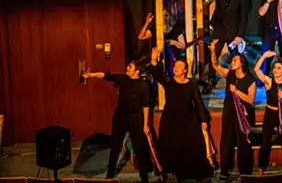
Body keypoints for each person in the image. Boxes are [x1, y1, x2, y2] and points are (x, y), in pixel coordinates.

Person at [147, 48, 214, 181]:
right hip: (170, 119)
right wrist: (154, 60)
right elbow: (157, 75)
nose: (176, 68)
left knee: (190, 146)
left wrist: (203, 120)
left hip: (188, 119)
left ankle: (191, 173)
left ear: (185, 70)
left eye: (179, 66)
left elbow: (198, 102)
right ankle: (168, 171)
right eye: (175, 66)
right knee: (170, 145)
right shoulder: (169, 81)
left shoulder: (191, 84)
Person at [82, 63, 152, 183]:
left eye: (130, 67)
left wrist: (145, 124)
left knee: (139, 148)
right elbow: (106, 76)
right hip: (120, 116)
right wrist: (91, 75)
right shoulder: (123, 79)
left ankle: (144, 177)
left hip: (135, 117)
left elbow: (146, 106)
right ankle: (110, 175)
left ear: (137, 71)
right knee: (115, 145)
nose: (127, 68)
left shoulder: (143, 86)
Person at [195, 0, 252, 89]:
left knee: (237, 56)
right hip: (219, 27)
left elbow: (244, 16)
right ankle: (211, 79)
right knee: (213, 52)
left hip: (233, 30)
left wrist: (239, 35)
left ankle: (243, 79)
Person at [209, 40, 256, 179]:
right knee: (227, 140)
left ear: (241, 63)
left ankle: (245, 171)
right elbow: (215, 65)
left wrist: (237, 92)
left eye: (235, 60)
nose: (232, 62)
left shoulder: (249, 79)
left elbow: (250, 99)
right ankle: (225, 170)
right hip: (229, 112)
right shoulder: (229, 74)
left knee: (243, 141)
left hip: (243, 114)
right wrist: (212, 51)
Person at [253, 51, 282, 175]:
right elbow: (256, 70)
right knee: (265, 141)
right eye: (274, 68)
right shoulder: (269, 81)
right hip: (270, 113)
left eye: (279, 68)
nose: (275, 70)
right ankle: (261, 167)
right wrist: (264, 56)